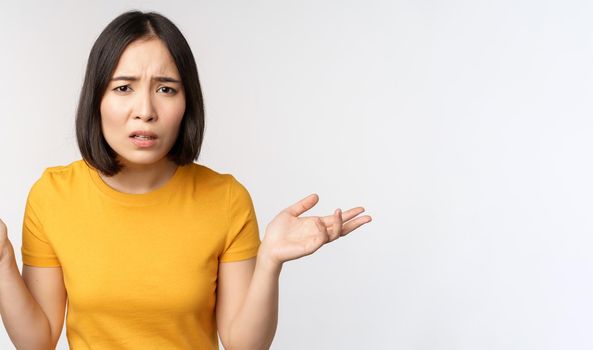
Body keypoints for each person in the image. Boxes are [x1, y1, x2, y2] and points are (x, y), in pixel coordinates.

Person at [0, 10, 371, 350]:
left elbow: (244, 345)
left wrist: (269, 261)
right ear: (96, 99)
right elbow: (38, 341)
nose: (145, 111)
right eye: (123, 87)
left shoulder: (225, 198)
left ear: (186, 102)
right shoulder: (53, 196)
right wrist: (2, 261)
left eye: (165, 89)